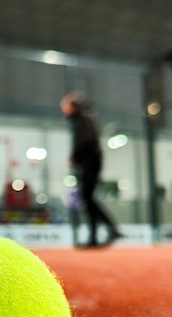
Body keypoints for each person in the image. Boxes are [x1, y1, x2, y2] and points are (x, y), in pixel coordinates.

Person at [60, 91, 121, 248]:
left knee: (88, 199)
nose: (63, 110)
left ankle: (111, 228)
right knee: (88, 200)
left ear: (72, 107)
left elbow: (86, 141)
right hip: (88, 162)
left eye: (65, 106)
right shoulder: (82, 120)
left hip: (90, 162)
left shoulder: (83, 119)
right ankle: (95, 237)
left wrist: (75, 156)